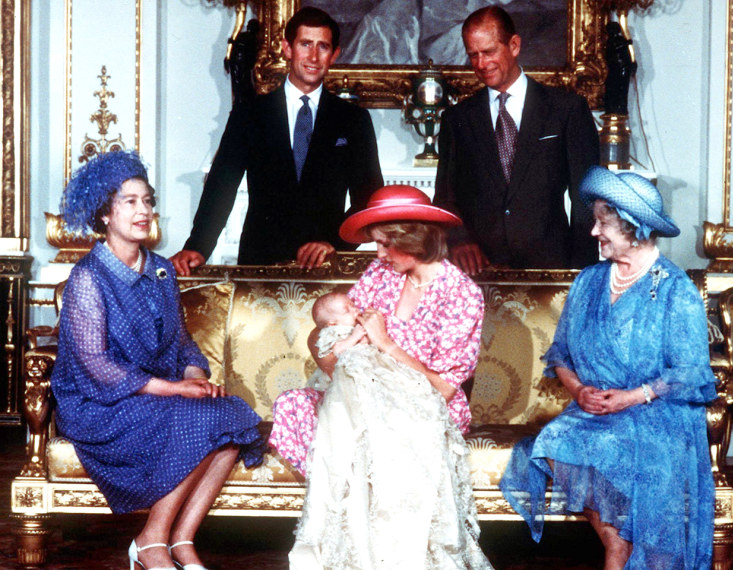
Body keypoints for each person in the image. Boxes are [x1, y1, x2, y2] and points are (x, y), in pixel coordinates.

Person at [51, 151, 265, 570]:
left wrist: (194, 374)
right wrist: (176, 389)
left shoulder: (163, 270)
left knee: (233, 415)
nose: (143, 210)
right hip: (99, 404)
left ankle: (181, 540)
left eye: (147, 200)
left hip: (154, 393)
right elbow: (97, 366)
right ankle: (150, 542)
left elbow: (182, 343)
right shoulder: (88, 278)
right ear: (105, 215)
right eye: (129, 202)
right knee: (199, 420)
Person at [499, 166, 716, 569]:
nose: (594, 233)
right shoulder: (589, 281)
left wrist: (632, 397)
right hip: (594, 410)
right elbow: (560, 354)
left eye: (603, 223)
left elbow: (690, 372)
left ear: (633, 227)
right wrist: (579, 390)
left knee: (612, 446)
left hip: (656, 413)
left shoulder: (674, 288)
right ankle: (617, 544)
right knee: (555, 439)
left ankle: (621, 550)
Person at [269, 185, 492, 568]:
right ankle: (355, 547)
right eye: (377, 244)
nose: (379, 253)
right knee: (296, 405)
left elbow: (443, 389)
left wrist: (387, 344)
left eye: (387, 244)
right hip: (361, 397)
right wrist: (341, 361)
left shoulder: (461, 295)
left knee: (372, 437)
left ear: (418, 239)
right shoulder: (381, 273)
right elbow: (331, 334)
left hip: (423, 408)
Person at [171, 7, 383, 273]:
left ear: (335, 55)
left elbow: (370, 199)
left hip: (327, 266)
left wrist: (335, 244)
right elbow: (221, 185)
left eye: (323, 47)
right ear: (287, 48)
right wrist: (198, 246)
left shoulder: (354, 119)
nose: (314, 57)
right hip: (260, 263)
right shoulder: (249, 114)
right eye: (305, 44)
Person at [433, 5, 600, 274]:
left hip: (551, 267)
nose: (480, 64)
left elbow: (586, 199)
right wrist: (459, 239)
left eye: (488, 52)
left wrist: (583, 274)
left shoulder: (566, 109)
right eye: (472, 55)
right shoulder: (457, 118)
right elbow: (445, 197)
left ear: (514, 45)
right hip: (479, 271)